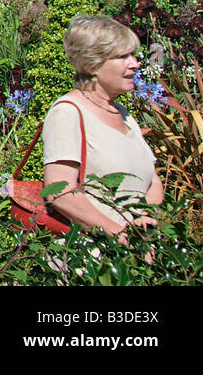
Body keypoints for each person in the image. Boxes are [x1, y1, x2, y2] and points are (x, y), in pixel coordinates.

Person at [42, 15, 163, 241]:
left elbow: (153, 180)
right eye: (123, 56)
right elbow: (60, 192)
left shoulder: (125, 116)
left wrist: (146, 218)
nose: (135, 63)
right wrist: (119, 234)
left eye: (133, 55)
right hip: (92, 262)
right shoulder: (68, 113)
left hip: (134, 257)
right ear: (93, 64)